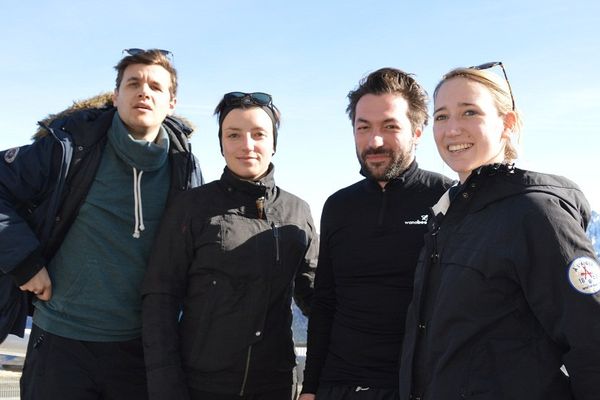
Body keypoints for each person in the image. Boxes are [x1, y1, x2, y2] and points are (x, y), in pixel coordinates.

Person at [0, 48, 203, 400]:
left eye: (156, 86)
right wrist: (25, 262)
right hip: (60, 343)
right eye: (133, 83)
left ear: (171, 102)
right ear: (116, 96)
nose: (144, 91)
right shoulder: (70, 147)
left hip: (138, 349)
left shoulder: (184, 165)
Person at [399, 62, 600, 400]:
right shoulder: (448, 215)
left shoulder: (535, 212)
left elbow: (591, 338)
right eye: (442, 116)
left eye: (469, 112)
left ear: (507, 124)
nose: (451, 130)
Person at [142, 91, 318, 400]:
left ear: (274, 143)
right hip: (202, 384)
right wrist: (165, 385)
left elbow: (318, 301)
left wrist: (315, 382)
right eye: (233, 134)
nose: (246, 145)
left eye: (258, 134)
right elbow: (160, 299)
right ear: (222, 144)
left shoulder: (297, 211)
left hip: (274, 385)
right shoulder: (192, 207)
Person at [300, 68, 453, 400]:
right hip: (339, 385)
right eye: (363, 127)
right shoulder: (338, 206)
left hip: (416, 386)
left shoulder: (448, 198)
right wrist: (310, 387)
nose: (375, 141)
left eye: (390, 126)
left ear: (417, 130)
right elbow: (325, 301)